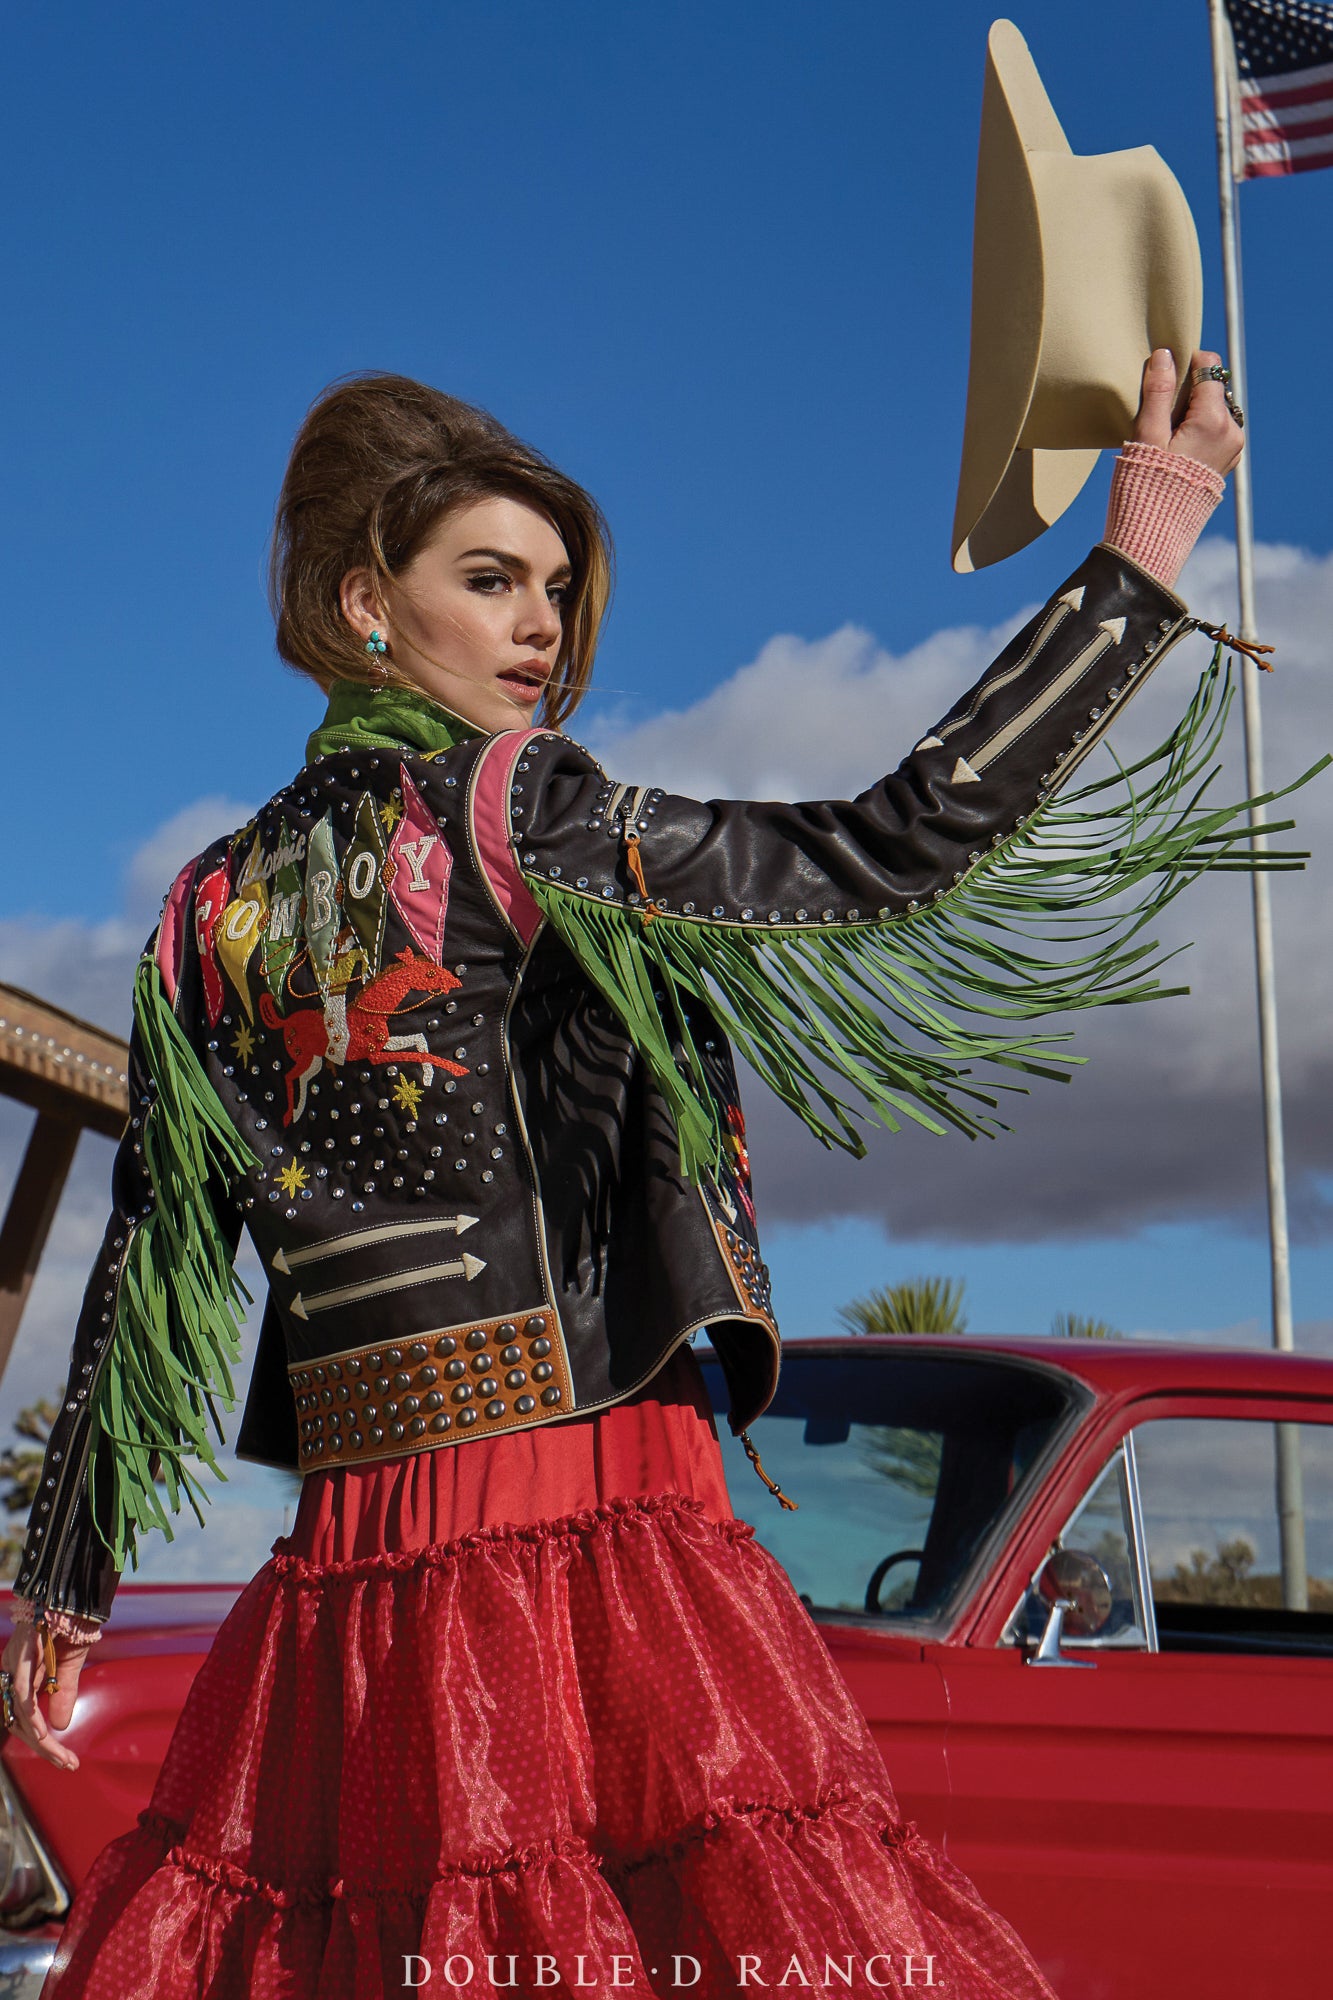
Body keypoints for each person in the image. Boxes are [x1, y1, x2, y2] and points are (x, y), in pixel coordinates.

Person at [3, 351, 1242, 1997]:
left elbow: (153, 1260)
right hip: (581, 1510)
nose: (539, 627)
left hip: (351, 1574)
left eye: (556, 589)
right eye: (489, 580)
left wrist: (66, 1576)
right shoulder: (514, 808)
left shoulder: (202, 907)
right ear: (364, 604)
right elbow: (886, 851)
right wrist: (1138, 557)